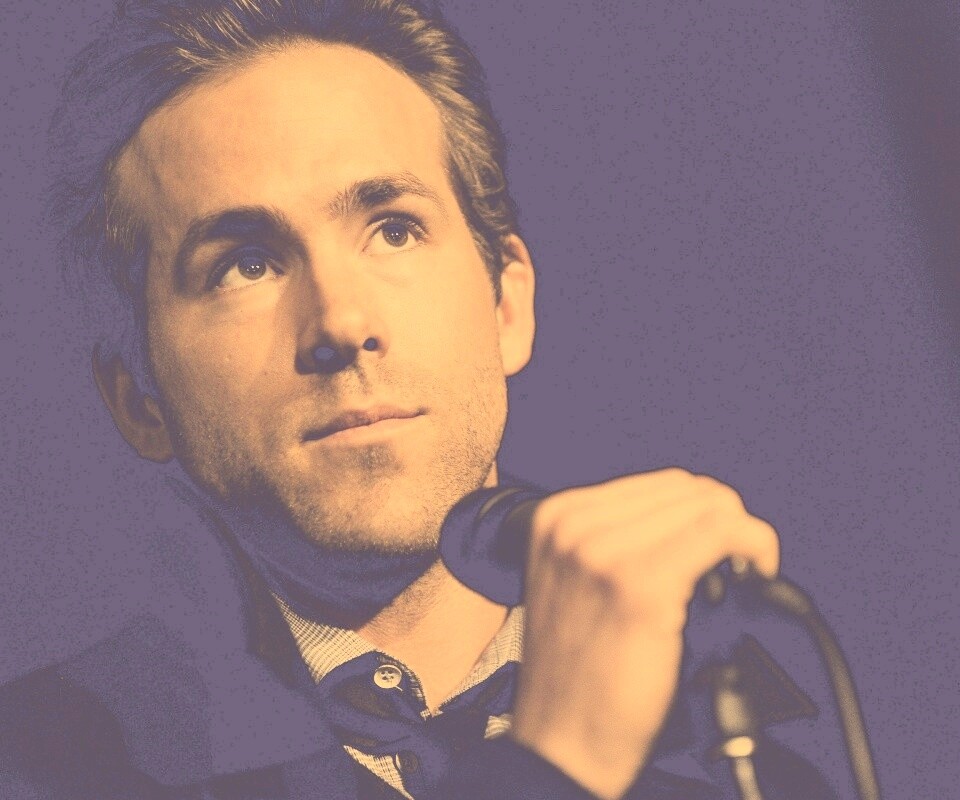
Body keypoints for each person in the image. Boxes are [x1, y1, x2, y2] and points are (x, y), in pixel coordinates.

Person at [0, 1, 845, 798]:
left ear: (507, 304)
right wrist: (558, 762)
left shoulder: (753, 754)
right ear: (138, 399)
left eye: (394, 230)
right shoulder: (39, 764)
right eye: (245, 264)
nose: (342, 323)